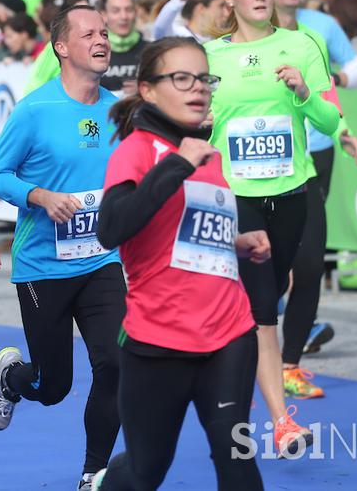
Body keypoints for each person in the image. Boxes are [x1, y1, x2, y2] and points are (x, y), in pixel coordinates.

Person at [90, 37, 270, 491]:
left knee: (237, 462)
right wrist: (175, 166)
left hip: (229, 335)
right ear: (149, 90)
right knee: (147, 470)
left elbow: (186, 234)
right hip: (158, 343)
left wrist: (236, 242)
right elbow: (112, 229)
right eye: (182, 78)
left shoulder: (209, 156)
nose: (199, 89)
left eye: (204, 79)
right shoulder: (136, 151)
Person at [0, 4, 126, 491]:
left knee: (115, 364)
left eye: (104, 33)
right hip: (44, 266)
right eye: (89, 34)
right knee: (53, 386)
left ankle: (94, 472)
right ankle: (10, 378)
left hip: (102, 260)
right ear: (61, 47)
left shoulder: (117, 109)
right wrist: (40, 196)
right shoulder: (35, 110)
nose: (101, 40)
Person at [204, 0, 340, 456]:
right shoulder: (209, 56)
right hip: (236, 194)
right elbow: (192, 121)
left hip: (291, 192)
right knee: (263, 307)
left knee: (273, 290)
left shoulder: (302, 46)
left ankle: (237, 367)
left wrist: (304, 94)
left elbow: (330, 115)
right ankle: (283, 422)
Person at [260, 0, 357, 399]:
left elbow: (339, 83)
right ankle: (250, 358)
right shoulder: (239, 42)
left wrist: (340, 128)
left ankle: (290, 365)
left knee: (307, 264)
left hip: (312, 153)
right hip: (258, 167)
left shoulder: (317, 31)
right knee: (263, 268)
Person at [24, 0, 143, 96]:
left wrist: (143, 90)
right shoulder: (59, 48)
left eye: (129, 9)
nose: (124, 16)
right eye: (116, 10)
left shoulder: (147, 48)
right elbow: (34, 87)